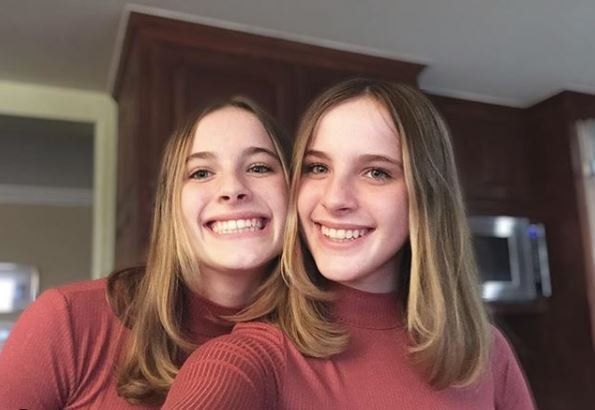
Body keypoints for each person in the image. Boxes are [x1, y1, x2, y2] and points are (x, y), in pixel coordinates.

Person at [163, 79, 536, 409]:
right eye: (318, 168)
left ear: (426, 197)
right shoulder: (252, 355)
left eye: (376, 172)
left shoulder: (487, 350)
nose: (335, 198)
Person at [0, 97, 289, 408]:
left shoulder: (319, 353)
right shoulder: (67, 320)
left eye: (259, 167)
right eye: (201, 173)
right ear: (170, 205)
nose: (232, 189)